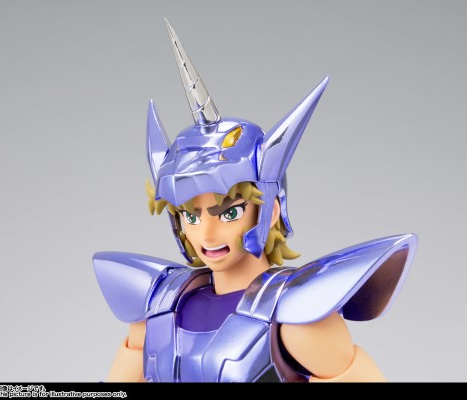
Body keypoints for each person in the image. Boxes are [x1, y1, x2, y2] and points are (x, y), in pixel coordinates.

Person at [93, 19, 418, 383]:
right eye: (191, 215)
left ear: (268, 210)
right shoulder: (159, 308)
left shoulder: (295, 318)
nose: (207, 233)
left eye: (228, 212)